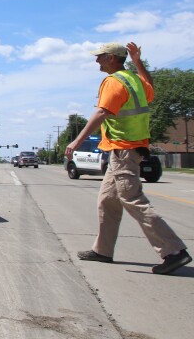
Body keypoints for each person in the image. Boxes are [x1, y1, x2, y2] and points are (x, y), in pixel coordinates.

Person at [65, 42, 190, 276]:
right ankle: (102, 250)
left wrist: (77, 141)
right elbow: (150, 88)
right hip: (125, 149)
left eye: (101, 56)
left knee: (133, 199)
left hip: (125, 149)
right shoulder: (133, 79)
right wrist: (138, 61)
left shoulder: (114, 81)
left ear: (112, 58)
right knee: (107, 200)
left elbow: (102, 112)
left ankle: (173, 251)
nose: (97, 61)